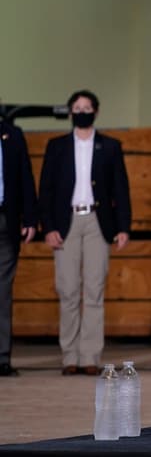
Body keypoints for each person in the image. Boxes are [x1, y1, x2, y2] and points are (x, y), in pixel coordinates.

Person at [37, 90, 131, 376]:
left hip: (97, 221)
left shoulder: (110, 147)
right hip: (66, 222)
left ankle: (90, 355)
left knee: (94, 290)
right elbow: (47, 191)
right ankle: (69, 356)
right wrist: (49, 227)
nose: (82, 111)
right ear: (70, 113)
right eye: (77, 107)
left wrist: (124, 227)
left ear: (96, 111)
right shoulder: (57, 147)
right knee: (67, 290)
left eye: (86, 107)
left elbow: (121, 189)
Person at [1, 118, 38, 376]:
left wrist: (30, 219)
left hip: (7, 219)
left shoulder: (12, 135)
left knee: (3, 291)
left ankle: (2, 357)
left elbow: (25, 177)